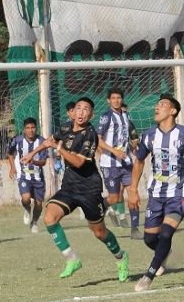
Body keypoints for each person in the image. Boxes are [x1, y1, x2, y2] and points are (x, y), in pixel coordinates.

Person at [128, 93, 184, 292]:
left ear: (173, 111)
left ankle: (148, 276)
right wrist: (132, 190)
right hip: (156, 194)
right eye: (157, 104)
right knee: (150, 239)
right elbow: (139, 162)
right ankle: (163, 253)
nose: (157, 107)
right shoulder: (149, 135)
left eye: (162, 104)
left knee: (166, 234)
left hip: (180, 193)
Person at [41, 97, 130, 281]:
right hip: (69, 187)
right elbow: (49, 140)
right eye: (78, 108)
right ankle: (72, 259)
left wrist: (59, 149)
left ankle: (121, 257)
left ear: (91, 115)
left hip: (89, 189)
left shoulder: (90, 134)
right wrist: (32, 154)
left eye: (86, 109)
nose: (81, 112)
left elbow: (79, 162)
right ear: (73, 112)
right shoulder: (65, 128)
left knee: (99, 233)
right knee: (49, 218)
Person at [96, 88, 140, 239]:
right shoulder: (106, 117)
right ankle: (101, 209)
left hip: (126, 162)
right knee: (114, 198)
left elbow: (129, 135)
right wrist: (113, 151)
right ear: (108, 100)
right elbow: (98, 139)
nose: (116, 100)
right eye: (113, 98)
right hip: (110, 164)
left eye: (119, 98)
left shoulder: (126, 115)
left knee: (133, 193)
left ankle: (135, 229)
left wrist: (134, 147)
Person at [7, 117, 51, 233]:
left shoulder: (42, 141)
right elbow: (10, 153)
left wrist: (34, 162)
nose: (30, 130)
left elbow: (44, 162)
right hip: (23, 175)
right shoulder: (18, 140)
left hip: (38, 177)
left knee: (39, 204)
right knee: (26, 198)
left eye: (33, 128)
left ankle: (34, 222)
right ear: (24, 129)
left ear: (36, 129)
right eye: (28, 128)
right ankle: (27, 209)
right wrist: (12, 167)